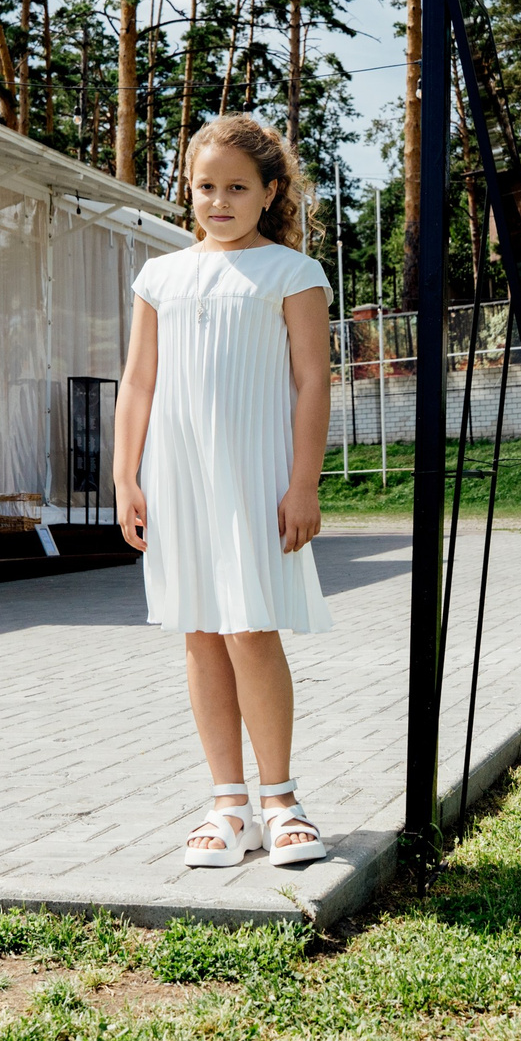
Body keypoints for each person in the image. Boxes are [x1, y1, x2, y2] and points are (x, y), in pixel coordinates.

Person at [112, 113, 334, 869]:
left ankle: (282, 800)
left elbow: (312, 383)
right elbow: (138, 382)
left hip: (257, 476)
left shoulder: (292, 274)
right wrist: (125, 476)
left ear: (270, 193)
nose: (218, 200)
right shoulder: (159, 277)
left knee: (250, 629)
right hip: (177, 481)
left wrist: (303, 484)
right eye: (205, 186)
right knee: (200, 631)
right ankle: (227, 803)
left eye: (237, 187)